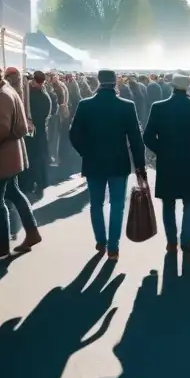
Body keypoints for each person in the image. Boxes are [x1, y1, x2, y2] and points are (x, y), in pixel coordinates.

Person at [68, 70, 147, 259]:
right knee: (117, 204)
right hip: (119, 160)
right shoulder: (127, 106)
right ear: (116, 82)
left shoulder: (85, 105)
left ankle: (100, 240)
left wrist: (84, 152)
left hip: (93, 161)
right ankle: (114, 246)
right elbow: (136, 139)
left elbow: (74, 134)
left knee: (96, 203)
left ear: (98, 81)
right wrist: (140, 166)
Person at [143, 74, 190, 253]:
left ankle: (171, 241)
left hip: (167, 161)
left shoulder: (158, 107)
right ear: (188, 87)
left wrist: (161, 150)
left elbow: (148, 136)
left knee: (168, 202)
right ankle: (187, 241)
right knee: (189, 201)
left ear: (172, 86)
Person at [0, 64, 41, 258]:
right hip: (10, 155)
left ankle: (1, 247)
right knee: (14, 193)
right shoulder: (5, 92)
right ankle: (32, 233)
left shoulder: (2, 96)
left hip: (3, 156)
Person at [27, 71, 53, 197]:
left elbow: (35, 113)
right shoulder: (44, 92)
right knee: (41, 157)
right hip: (41, 129)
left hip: (37, 129)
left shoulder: (36, 94)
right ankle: (42, 182)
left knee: (36, 158)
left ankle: (39, 182)